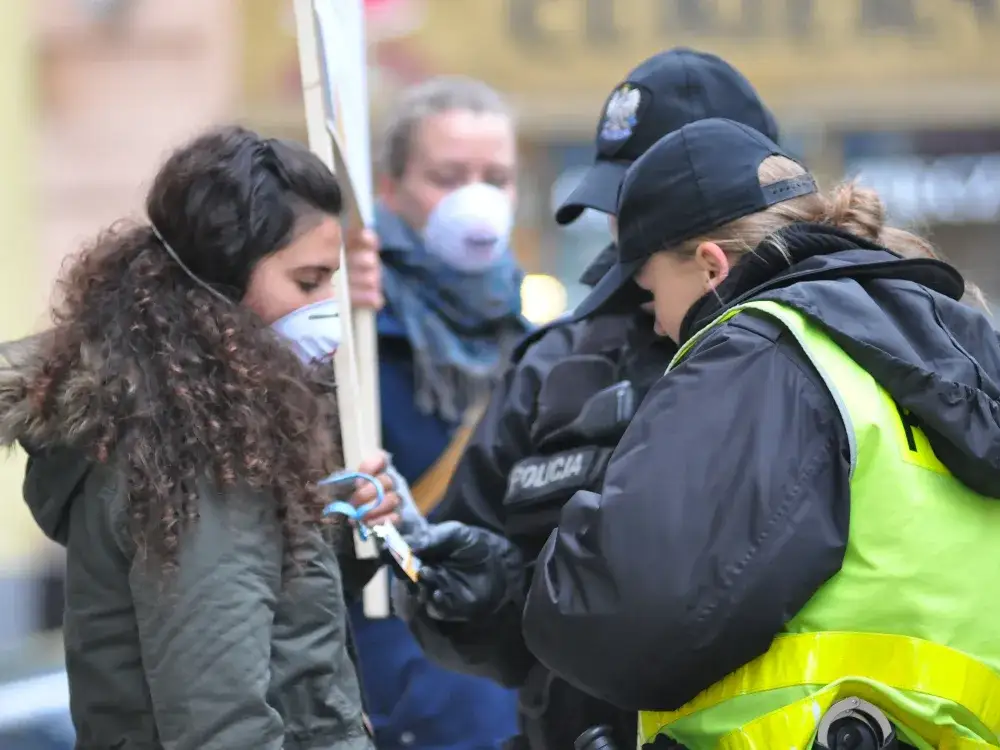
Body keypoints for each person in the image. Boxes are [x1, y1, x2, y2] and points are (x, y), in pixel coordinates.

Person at [518, 117, 1000, 749]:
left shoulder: (761, 351)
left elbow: (624, 619)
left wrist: (570, 525)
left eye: (651, 293)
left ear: (712, 265)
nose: (660, 328)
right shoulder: (950, 345)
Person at [396, 49, 779, 750]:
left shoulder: (815, 347)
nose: (622, 232)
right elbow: (477, 615)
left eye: (646, 206)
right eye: (614, 206)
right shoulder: (557, 363)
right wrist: (476, 599)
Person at [0, 125, 406, 750]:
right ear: (219, 285)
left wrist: (342, 539)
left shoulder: (212, 429)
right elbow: (223, 723)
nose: (328, 305)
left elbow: (271, 632)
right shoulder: (201, 457)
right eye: (308, 282)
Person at [349, 76, 527, 750]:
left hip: (512, 698)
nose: (477, 199)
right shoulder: (348, 336)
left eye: (497, 177)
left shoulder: (535, 341)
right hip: (399, 700)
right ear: (390, 191)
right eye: (448, 177)